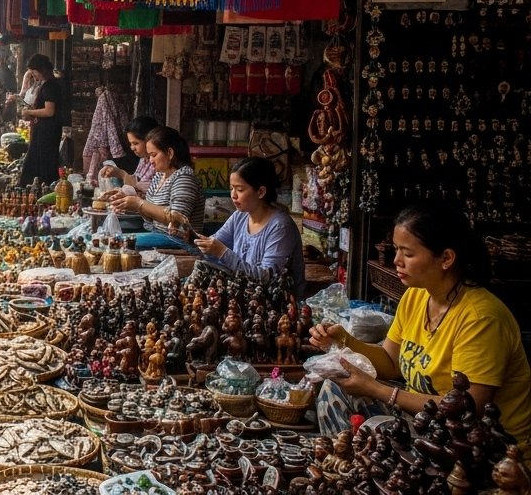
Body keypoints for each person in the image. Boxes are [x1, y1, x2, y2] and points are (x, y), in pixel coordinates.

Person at [309, 205, 531, 447]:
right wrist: (344, 341)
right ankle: (344, 468)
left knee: (378, 432)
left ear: (446, 258)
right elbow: (391, 363)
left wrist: (378, 390)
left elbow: (469, 408)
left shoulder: (482, 319)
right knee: (334, 389)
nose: (396, 261)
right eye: (396, 250)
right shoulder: (416, 297)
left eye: (408, 253)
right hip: (428, 417)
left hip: (479, 441)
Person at [193, 157, 305, 296]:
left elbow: (268, 279)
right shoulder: (239, 217)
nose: (233, 195)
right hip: (246, 295)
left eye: (239, 189)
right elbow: (211, 245)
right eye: (231, 188)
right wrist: (188, 235)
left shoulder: (281, 227)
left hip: (277, 304)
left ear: (260, 192)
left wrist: (222, 252)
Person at [108, 126, 205, 249]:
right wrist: (127, 202)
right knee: (111, 239)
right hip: (158, 234)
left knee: (118, 243)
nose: (150, 161)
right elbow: (150, 215)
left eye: (153, 155)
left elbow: (177, 219)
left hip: (179, 241)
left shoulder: (184, 177)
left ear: (170, 153)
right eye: (149, 156)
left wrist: (139, 204)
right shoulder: (160, 176)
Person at [16, 53, 64, 186]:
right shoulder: (48, 84)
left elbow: (49, 111)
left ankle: (43, 186)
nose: (33, 75)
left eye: (34, 71)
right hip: (45, 130)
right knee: (39, 160)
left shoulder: (50, 86)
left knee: (44, 161)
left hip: (48, 131)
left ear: (41, 69)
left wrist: (29, 111)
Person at [99, 116, 161, 197]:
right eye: (130, 144)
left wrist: (122, 174)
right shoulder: (143, 160)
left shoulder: (158, 164)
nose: (132, 148)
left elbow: (146, 190)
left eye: (136, 143)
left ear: (149, 140)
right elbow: (136, 185)